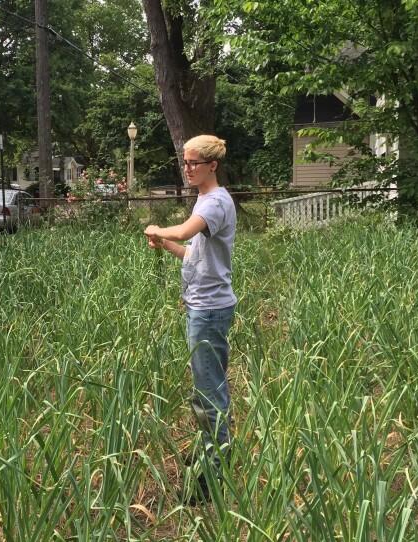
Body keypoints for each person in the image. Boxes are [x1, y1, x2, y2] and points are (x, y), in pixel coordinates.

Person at [144, 135, 237, 504]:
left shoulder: (214, 202)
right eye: (184, 162)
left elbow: (183, 231)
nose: (187, 169)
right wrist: (166, 245)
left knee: (210, 393)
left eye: (194, 163)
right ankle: (212, 451)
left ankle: (212, 476)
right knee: (206, 388)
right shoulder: (206, 200)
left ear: (212, 165)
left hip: (210, 309)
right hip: (203, 305)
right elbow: (192, 253)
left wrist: (158, 230)